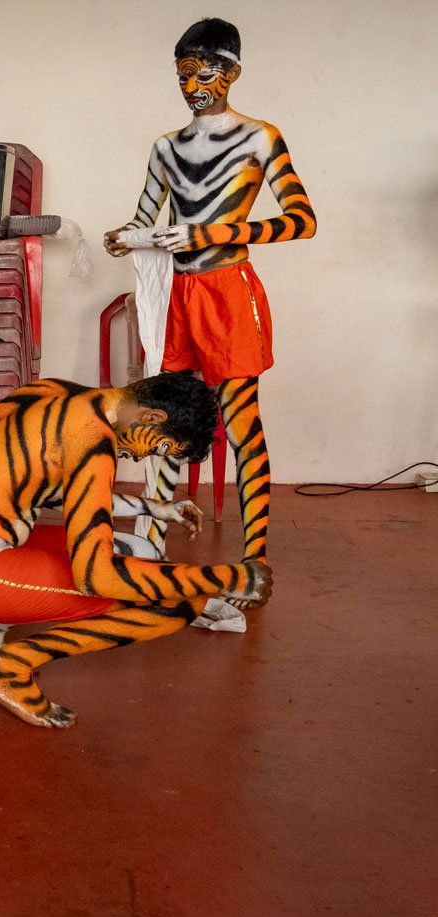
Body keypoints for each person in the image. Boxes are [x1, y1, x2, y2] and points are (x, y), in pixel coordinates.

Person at [0, 374, 272, 729]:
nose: (141, 454)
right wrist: (226, 578)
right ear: (152, 418)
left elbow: (48, 490)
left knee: (137, 548)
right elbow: (97, 576)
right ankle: (9, 667)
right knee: (179, 603)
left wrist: (154, 507)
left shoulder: (56, 393)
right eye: (160, 447)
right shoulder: (92, 439)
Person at [104, 17, 316, 562]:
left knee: (243, 424)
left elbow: (302, 220)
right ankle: (151, 540)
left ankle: (256, 557)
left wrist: (214, 232)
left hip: (228, 292)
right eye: (184, 75)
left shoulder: (260, 137)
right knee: (168, 417)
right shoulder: (165, 147)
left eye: (206, 73)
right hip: (179, 293)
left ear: (233, 72)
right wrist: (126, 239)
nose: (194, 86)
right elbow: (143, 218)